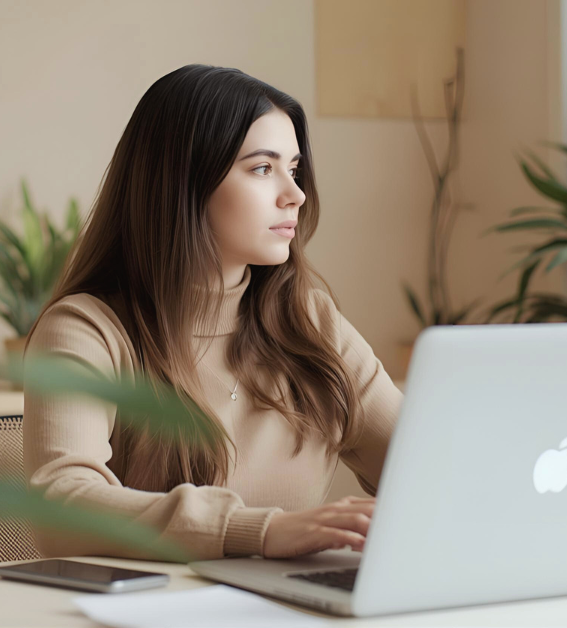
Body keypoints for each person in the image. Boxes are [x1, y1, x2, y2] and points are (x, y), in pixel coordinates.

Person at [20, 63, 403, 562]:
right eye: (263, 168)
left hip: (287, 609)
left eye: (294, 169)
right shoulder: (86, 331)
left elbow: (421, 461)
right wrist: (261, 532)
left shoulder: (311, 321)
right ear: (185, 180)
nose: (296, 195)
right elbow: (63, 508)